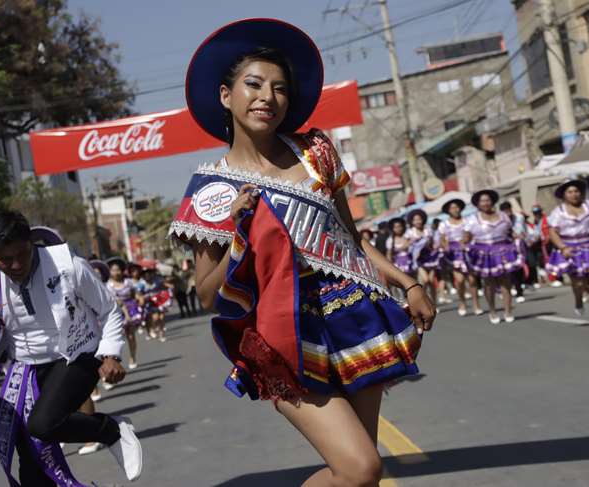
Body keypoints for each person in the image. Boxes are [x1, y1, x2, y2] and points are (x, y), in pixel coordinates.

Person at [169, 19, 435, 487]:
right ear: (226, 96)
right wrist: (237, 229)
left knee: (359, 477)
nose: (267, 97)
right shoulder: (209, 190)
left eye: (279, 88)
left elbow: (351, 239)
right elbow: (209, 295)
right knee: (360, 468)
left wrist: (406, 282)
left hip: (356, 315)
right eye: (253, 84)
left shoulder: (315, 150)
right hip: (283, 333)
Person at [0, 211, 143, 485]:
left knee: (43, 425)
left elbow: (109, 311)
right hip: (25, 369)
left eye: (23, 253)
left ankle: (110, 430)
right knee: (30, 458)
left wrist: (111, 353)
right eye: (5, 259)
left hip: (76, 356)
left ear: (31, 241)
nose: (17, 264)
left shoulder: (68, 265)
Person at [545, 180, 589, 327]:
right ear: (564, 195)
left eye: (576, 191)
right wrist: (562, 247)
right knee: (579, 282)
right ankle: (578, 298)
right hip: (570, 248)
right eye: (570, 192)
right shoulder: (559, 212)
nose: (574, 195)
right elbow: (553, 232)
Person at [463, 190, 524, 324]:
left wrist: (518, 237)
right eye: (482, 201)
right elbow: (466, 237)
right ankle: (492, 310)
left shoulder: (503, 216)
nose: (486, 203)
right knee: (489, 284)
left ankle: (508, 311)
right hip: (483, 253)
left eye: (488, 200)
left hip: (503, 250)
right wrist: (465, 245)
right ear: (478, 204)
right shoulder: (472, 219)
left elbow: (510, 232)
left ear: (492, 202)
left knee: (506, 281)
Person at [439, 198, 481, 316]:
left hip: (467, 252)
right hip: (454, 254)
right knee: (460, 280)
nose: (455, 210)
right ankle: (462, 302)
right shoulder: (444, 224)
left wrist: (466, 241)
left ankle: (476, 303)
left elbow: (471, 234)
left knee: (472, 280)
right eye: (452, 208)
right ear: (448, 210)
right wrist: (445, 245)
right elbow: (442, 239)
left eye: (457, 207)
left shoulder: (467, 221)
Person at [106, 258, 142, 370]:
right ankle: (115, 362)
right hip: (117, 314)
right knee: (117, 339)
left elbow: (135, 293)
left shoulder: (128, 282)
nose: (116, 272)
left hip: (131, 311)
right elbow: (116, 302)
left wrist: (139, 299)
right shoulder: (108, 286)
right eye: (113, 270)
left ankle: (133, 357)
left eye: (118, 270)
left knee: (131, 336)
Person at [404, 210, 440, 304]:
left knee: (431, 281)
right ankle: (424, 301)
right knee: (425, 280)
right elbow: (405, 246)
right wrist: (411, 242)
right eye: (415, 220)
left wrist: (432, 244)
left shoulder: (428, 230)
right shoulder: (410, 232)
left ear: (423, 219)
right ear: (412, 221)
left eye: (419, 219)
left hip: (430, 258)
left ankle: (433, 303)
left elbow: (433, 243)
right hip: (418, 260)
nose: (417, 221)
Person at [499, 202, 528, 303]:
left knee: (518, 268)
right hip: (505, 247)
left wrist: (522, 235)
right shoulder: (499, 220)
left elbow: (524, 229)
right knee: (507, 269)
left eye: (509, 210)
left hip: (518, 245)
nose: (508, 213)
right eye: (505, 211)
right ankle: (506, 289)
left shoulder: (519, 217)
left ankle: (519, 291)